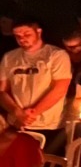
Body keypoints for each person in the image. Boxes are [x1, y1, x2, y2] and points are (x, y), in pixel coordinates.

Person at [0, 18, 72, 151]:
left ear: (38, 32)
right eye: (18, 36)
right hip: (17, 124)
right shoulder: (9, 57)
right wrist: (17, 112)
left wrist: (33, 113)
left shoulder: (56, 55)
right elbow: (2, 91)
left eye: (27, 34)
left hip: (48, 125)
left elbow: (60, 88)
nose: (22, 39)